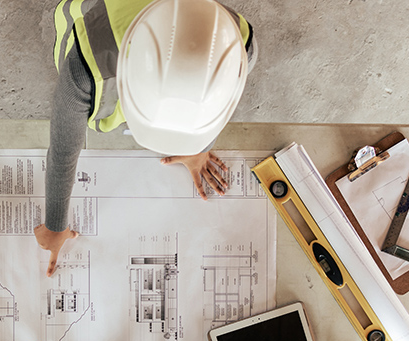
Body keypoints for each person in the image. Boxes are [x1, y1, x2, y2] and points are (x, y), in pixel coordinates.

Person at [35, 0, 259, 276]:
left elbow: (217, 99)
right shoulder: (87, 63)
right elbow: (64, 149)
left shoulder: (238, 45)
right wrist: (55, 224)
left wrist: (199, 147)